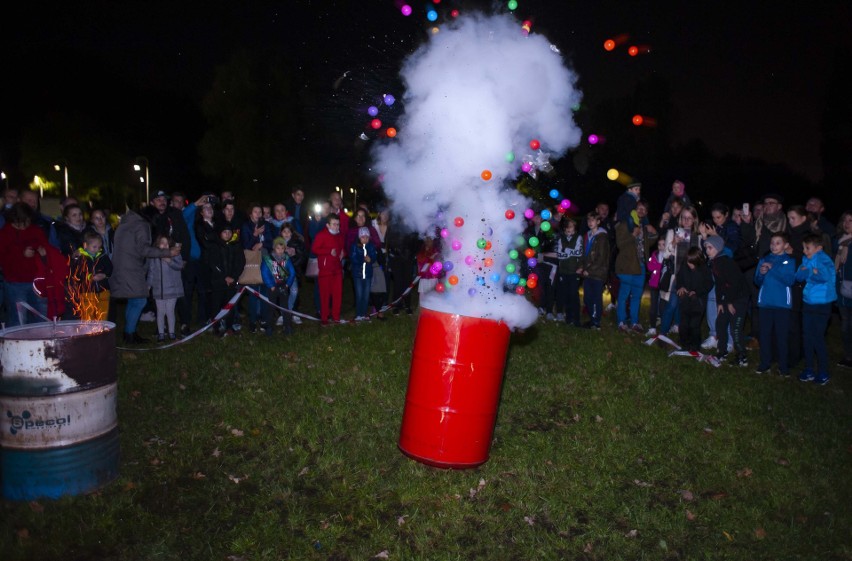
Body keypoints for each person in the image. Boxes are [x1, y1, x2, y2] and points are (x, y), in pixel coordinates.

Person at [111, 208, 180, 344]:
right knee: (140, 300)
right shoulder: (141, 225)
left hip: (121, 267)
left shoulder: (126, 223)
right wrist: (168, 252)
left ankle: (129, 332)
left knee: (133, 300)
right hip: (131, 268)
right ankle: (129, 333)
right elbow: (144, 250)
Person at [0, 203, 53, 326]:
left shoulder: (36, 231)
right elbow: (3, 258)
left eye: (28, 220)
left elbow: (46, 250)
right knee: (18, 319)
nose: (26, 224)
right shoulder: (5, 233)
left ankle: (42, 343)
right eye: (23, 221)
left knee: (41, 317)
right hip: (15, 283)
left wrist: (42, 253)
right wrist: (21, 253)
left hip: (37, 282)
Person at [796, 233, 837, 385]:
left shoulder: (824, 259)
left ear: (818, 248)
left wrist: (811, 273)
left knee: (818, 337)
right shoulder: (806, 259)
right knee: (807, 336)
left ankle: (823, 371)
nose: (805, 251)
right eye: (804, 248)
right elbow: (799, 276)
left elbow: (824, 276)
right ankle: (809, 369)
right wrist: (807, 271)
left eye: (808, 248)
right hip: (808, 301)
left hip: (822, 303)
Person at [753, 232, 796, 375]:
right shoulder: (765, 259)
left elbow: (789, 281)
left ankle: (783, 366)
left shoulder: (789, 261)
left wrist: (772, 269)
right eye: (772, 243)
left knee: (781, 336)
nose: (774, 246)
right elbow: (757, 281)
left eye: (778, 243)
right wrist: (761, 272)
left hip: (782, 305)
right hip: (765, 303)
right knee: (764, 335)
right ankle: (765, 363)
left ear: (786, 245)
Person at [705, 235, 751, 366]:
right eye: (706, 248)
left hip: (739, 297)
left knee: (735, 328)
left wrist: (730, 302)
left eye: (710, 248)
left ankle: (742, 356)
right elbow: (719, 284)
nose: (707, 250)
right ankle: (722, 351)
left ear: (718, 248)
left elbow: (734, 282)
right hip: (728, 298)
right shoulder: (715, 262)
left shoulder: (726, 261)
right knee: (720, 322)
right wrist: (720, 303)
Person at [659, 206, 702, 337]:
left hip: (692, 277)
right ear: (680, 219)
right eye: (684, 218)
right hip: (677, 276)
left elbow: (701, 259)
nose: (686, 221)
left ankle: (684, 332)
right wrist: (673, 243)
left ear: (694, 219)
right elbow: (665, 255)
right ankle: (662, 333)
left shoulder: (698, 236)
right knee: (672, 305)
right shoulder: (673, 232)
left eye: (689, 218)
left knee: (687, 307)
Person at [207, 225, 245, 337]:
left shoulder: (236, 246)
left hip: (232, 282)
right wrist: (224, 277)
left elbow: (240, 262)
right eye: (225, 232)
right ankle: (216, 327)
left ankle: (229, 326)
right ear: (220, 233)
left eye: (229, 232)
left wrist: (233, 276)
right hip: (218, 281)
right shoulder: (215, 246)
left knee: (230, 305)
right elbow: (213, 264)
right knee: (216, 305)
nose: (227, 234)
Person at [241, 203, 273, 332]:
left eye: (260, 212)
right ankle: (253, 321)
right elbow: (246, 245)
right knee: (253, 293)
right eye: (255, 212)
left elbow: (271, 242)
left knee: (265, 292)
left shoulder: (267, 225)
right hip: (252, 264)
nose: (259, 214)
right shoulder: (245, 226)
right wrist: (254, 234)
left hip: (265, 262)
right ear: (250, 214)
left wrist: (261, 243)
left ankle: (264, 320)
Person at [675, 247, 714, 353]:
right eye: (688, 262)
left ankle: (695, 346)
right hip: (685, 300)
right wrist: (681, 287)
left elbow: (709, 284)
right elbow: (679, 279)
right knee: (683, 324)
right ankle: (685, 345)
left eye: (692, 262)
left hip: (698, 301)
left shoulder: (704, 269)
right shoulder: (684, 267)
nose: (689, 264)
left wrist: (697, 292)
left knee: (694, 325)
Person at [147, 235, 185, 342]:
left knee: (170, 311)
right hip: (158, 290)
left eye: (167, 243)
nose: (165, 245)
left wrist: (170, 261)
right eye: (162, 243)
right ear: (157, 244)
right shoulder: (154, 257)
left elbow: (180, 266)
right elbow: (151, 272)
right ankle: (161, 333)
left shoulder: (175, 254)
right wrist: (148, 285)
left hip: (172, 290)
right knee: (160, 312)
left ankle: (171, 332)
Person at [68, 231, 113, 321]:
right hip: (87, 291)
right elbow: (76, 273)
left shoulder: (103, 256)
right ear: (85, 245)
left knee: (102, 314)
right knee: (88, 315)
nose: (97, 249)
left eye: (99, 247)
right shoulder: (80, 257)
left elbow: (110, 268)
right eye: (94, 247)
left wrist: (104, 275)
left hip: (103, 290)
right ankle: (90, 333)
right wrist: (89, 277)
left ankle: (101, 332)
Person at [576, 212, 609, 330]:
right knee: (587, 298)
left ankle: (596, 322)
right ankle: (593, 319)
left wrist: (589, 270)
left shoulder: (602, 237)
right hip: (587, 272)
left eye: (593, 220)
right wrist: (581, 266)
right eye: (589, 220)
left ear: (598, 222)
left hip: (597, 273)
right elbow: (584, 254)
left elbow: (601, 257)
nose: (590, 222)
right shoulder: (588, 235)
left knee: (595, 298)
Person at [311, 213, 345, 324]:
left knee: (337, 295)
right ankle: (324, 318)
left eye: (338, 224)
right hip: (325, 271)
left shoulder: (339, 235)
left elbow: (343, 248)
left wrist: (343, 253)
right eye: (334, 224)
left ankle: (336, 317)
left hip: (337, 270)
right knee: (325, 295)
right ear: (328, 225)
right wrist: (328, 252)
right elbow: (315, 249)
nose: (336, 227)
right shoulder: (321, 235)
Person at [261, 237, 297, 335]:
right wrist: (270, 285)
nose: (280, 251)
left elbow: (292, 272)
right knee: (271, 307)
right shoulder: (268, 259)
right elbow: (264, 273)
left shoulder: (287, 259)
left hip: (283, 286)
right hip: (272, 287)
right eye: (278, 248)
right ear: (274, 248)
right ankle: (269, 327)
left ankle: (287, 326)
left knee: (285, 307)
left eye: (282, 248)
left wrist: (287, 285)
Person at [553, 216, 583, 326]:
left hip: (574, 271)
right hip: (563, 271)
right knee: (565, 294)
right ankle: (568, 318)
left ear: (575, 228)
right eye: (566, 228)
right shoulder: (561, 239)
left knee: (573, 295)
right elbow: (559, 254)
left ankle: (576, 319)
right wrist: (568, 252)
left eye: (570, 227)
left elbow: (579, 252)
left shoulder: (578, 237)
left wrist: (567, 251)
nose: (568, 230)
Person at [278, 223, 306, 325]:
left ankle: (292, 312)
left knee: (294, 292)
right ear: (281, 232)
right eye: (284, 231)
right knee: (283, 293)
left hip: (294, 272)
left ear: (292, 232)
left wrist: (291, 263)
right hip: (281, 273)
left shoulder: (297, 242)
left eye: (288, 231)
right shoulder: (277, 243)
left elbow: (302, 257)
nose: (286, 234)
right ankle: (283, 314)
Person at [834, 211, 852, 369]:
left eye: (851, 221)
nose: (847, 224)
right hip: (842, 290)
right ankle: (848, 356)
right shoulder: (840, 242)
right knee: (846, 324)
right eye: (845, 220)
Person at [350, 226, 377, 321]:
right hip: (358, 275)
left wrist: (371, 259)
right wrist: (363, 259)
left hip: (368, 274)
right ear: (359, 237)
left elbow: (374, 256)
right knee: (359, 294)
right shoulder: (354, 246)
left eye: (367, 237)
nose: (365, 239)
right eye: (362, 237)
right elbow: (353, 258)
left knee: (366, 295)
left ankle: (364, 313)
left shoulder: (371, 246)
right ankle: (358, 314)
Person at [645, 238, 666, 336]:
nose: (661, 247)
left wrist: (657, 266)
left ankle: (664, 327)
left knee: (663, 306)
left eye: (663, 244)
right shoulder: (655, 254)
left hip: (664, 285)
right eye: (659, 244)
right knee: (653, 306)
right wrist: (659, 265)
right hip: (654, 284)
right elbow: (649, 266)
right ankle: (652, 327)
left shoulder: (669, 255)